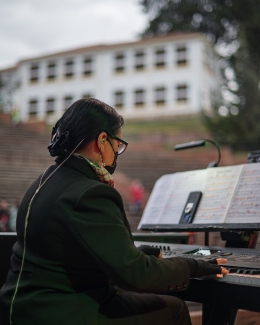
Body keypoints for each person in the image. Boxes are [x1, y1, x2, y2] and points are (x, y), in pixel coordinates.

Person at [0, 98, 229, 325]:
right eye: (117, 144)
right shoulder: (89, 193)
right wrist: (193, 265)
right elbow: (135, 274)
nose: (117, 152)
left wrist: (143, 253)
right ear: (102, 141)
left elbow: (79, 251)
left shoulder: (44, 181)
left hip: (23, 307)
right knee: (173, 309)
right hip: (58, 311)